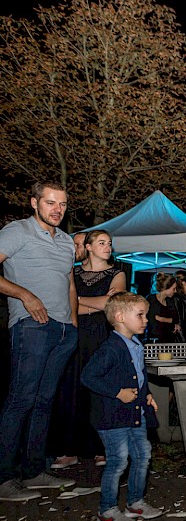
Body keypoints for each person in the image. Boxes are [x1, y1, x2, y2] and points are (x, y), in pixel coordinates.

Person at [0, 182, 79, 502]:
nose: (57, 209)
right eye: (50, 202)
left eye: (61, 203)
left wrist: (72, 324)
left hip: (62, 331)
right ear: (34, 202)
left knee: (44, 403)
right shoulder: (17, 231)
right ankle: (4, 477)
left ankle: (33, 471)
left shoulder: (66, 241)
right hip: (31, 326)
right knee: (22, 400)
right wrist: (24, 294)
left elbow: (70, 283)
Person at [81, 292, 162, 521]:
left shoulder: (136, 344)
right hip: (112, 416)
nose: (146, 320)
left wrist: (146, 395)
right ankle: (107, 510)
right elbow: (88, 376)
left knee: (142, 456)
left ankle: (135, 503)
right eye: (140, 315)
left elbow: (139, 376)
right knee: (117, 461)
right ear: (120, 316)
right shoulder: (111, 348)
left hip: (135, 414)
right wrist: (118, 392)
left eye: (145, 315)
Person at [50, 229, 126, 470]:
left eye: (110, 243)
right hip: (75, 332)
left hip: (102, 337)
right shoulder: (73, 271)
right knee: (71, 389)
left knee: (100, 389)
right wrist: (96, 303)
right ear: (89, 246)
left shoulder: (118, 273)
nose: (108, 247)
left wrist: (79, 300)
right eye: (102, 242)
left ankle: (100, 448)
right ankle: (70, 449)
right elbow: (62, 300)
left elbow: (112, 304)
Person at [146, 272, 179, 343]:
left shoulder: (170, 301)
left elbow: (176, 319)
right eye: (174, 289)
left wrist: (162, 319)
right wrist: (170, 322)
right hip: (155, 342)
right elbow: (153, 325)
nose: (175, 291)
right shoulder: (151, 300)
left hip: (169, 341)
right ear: (165, 288)